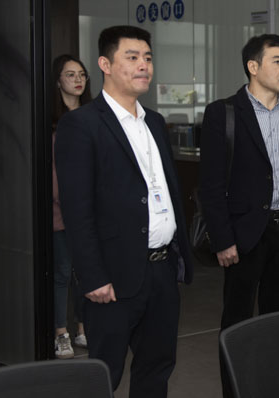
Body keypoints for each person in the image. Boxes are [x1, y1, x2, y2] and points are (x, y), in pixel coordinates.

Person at [55, 25, 193, 397]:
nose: (143, 65)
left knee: (157, 369)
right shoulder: (81, 125)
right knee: (104, 375)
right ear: (105, 64)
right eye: (132, 57)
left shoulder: (155, 123)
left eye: (147, 57)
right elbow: (77, 209)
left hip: (162, 270)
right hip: (112, 277)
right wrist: (92, 276)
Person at [198, 34, 279, 397]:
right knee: (237, 320)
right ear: (253, 67)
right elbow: (210, 185)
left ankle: (274, 387)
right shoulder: (224, 112)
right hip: (245, 233)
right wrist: (223, 239)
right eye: (277, 62)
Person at [51, 54, 92, 358]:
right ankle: (60, 333)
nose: (78, 80)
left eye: (81, 74)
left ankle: (82, 328)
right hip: (61, 209)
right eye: (70, 74)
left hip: (91, 210)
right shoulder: (52, 121)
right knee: (63, 272)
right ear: (57, 81)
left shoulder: (94, 116)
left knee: (86, 271)